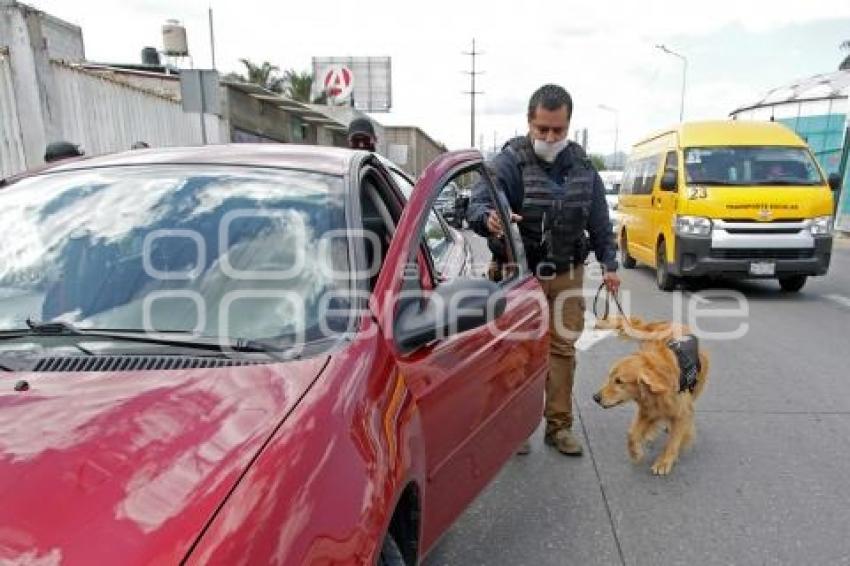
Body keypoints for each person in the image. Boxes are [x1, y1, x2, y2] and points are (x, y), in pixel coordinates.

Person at [468, 84, 620, 456]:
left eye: (559, 131)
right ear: (529, 123)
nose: (550, 138)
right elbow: (479, 203)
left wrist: (610, 263)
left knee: (563, 350)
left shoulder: (583, 168)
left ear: (568, 126)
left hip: (567, 273)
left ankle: (559, 427)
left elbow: (600, 220)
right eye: (543, 130)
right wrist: (489, 219)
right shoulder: (507, 164)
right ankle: (516, 427)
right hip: (519, 274)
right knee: (515, 352)